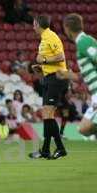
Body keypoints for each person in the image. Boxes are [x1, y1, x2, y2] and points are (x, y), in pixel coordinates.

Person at [29, 15, 68, 160]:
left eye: (34, 24)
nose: (33, 27)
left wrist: (44, 60)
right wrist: (41, 67)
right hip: (49, 78)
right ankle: (46, 150)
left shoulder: (51, 36)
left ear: (38, 24)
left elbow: (61, 57)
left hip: (57, 78)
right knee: (47, 115)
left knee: (48, 114)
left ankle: (58, 148)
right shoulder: (44, 39)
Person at [58, 13, 97, 137]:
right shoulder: (82, 43)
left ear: (67, 28)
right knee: (84, 129)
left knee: (86, 129)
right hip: (95, 96)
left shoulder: (84, 41)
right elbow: (86, 73)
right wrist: (68, 75)